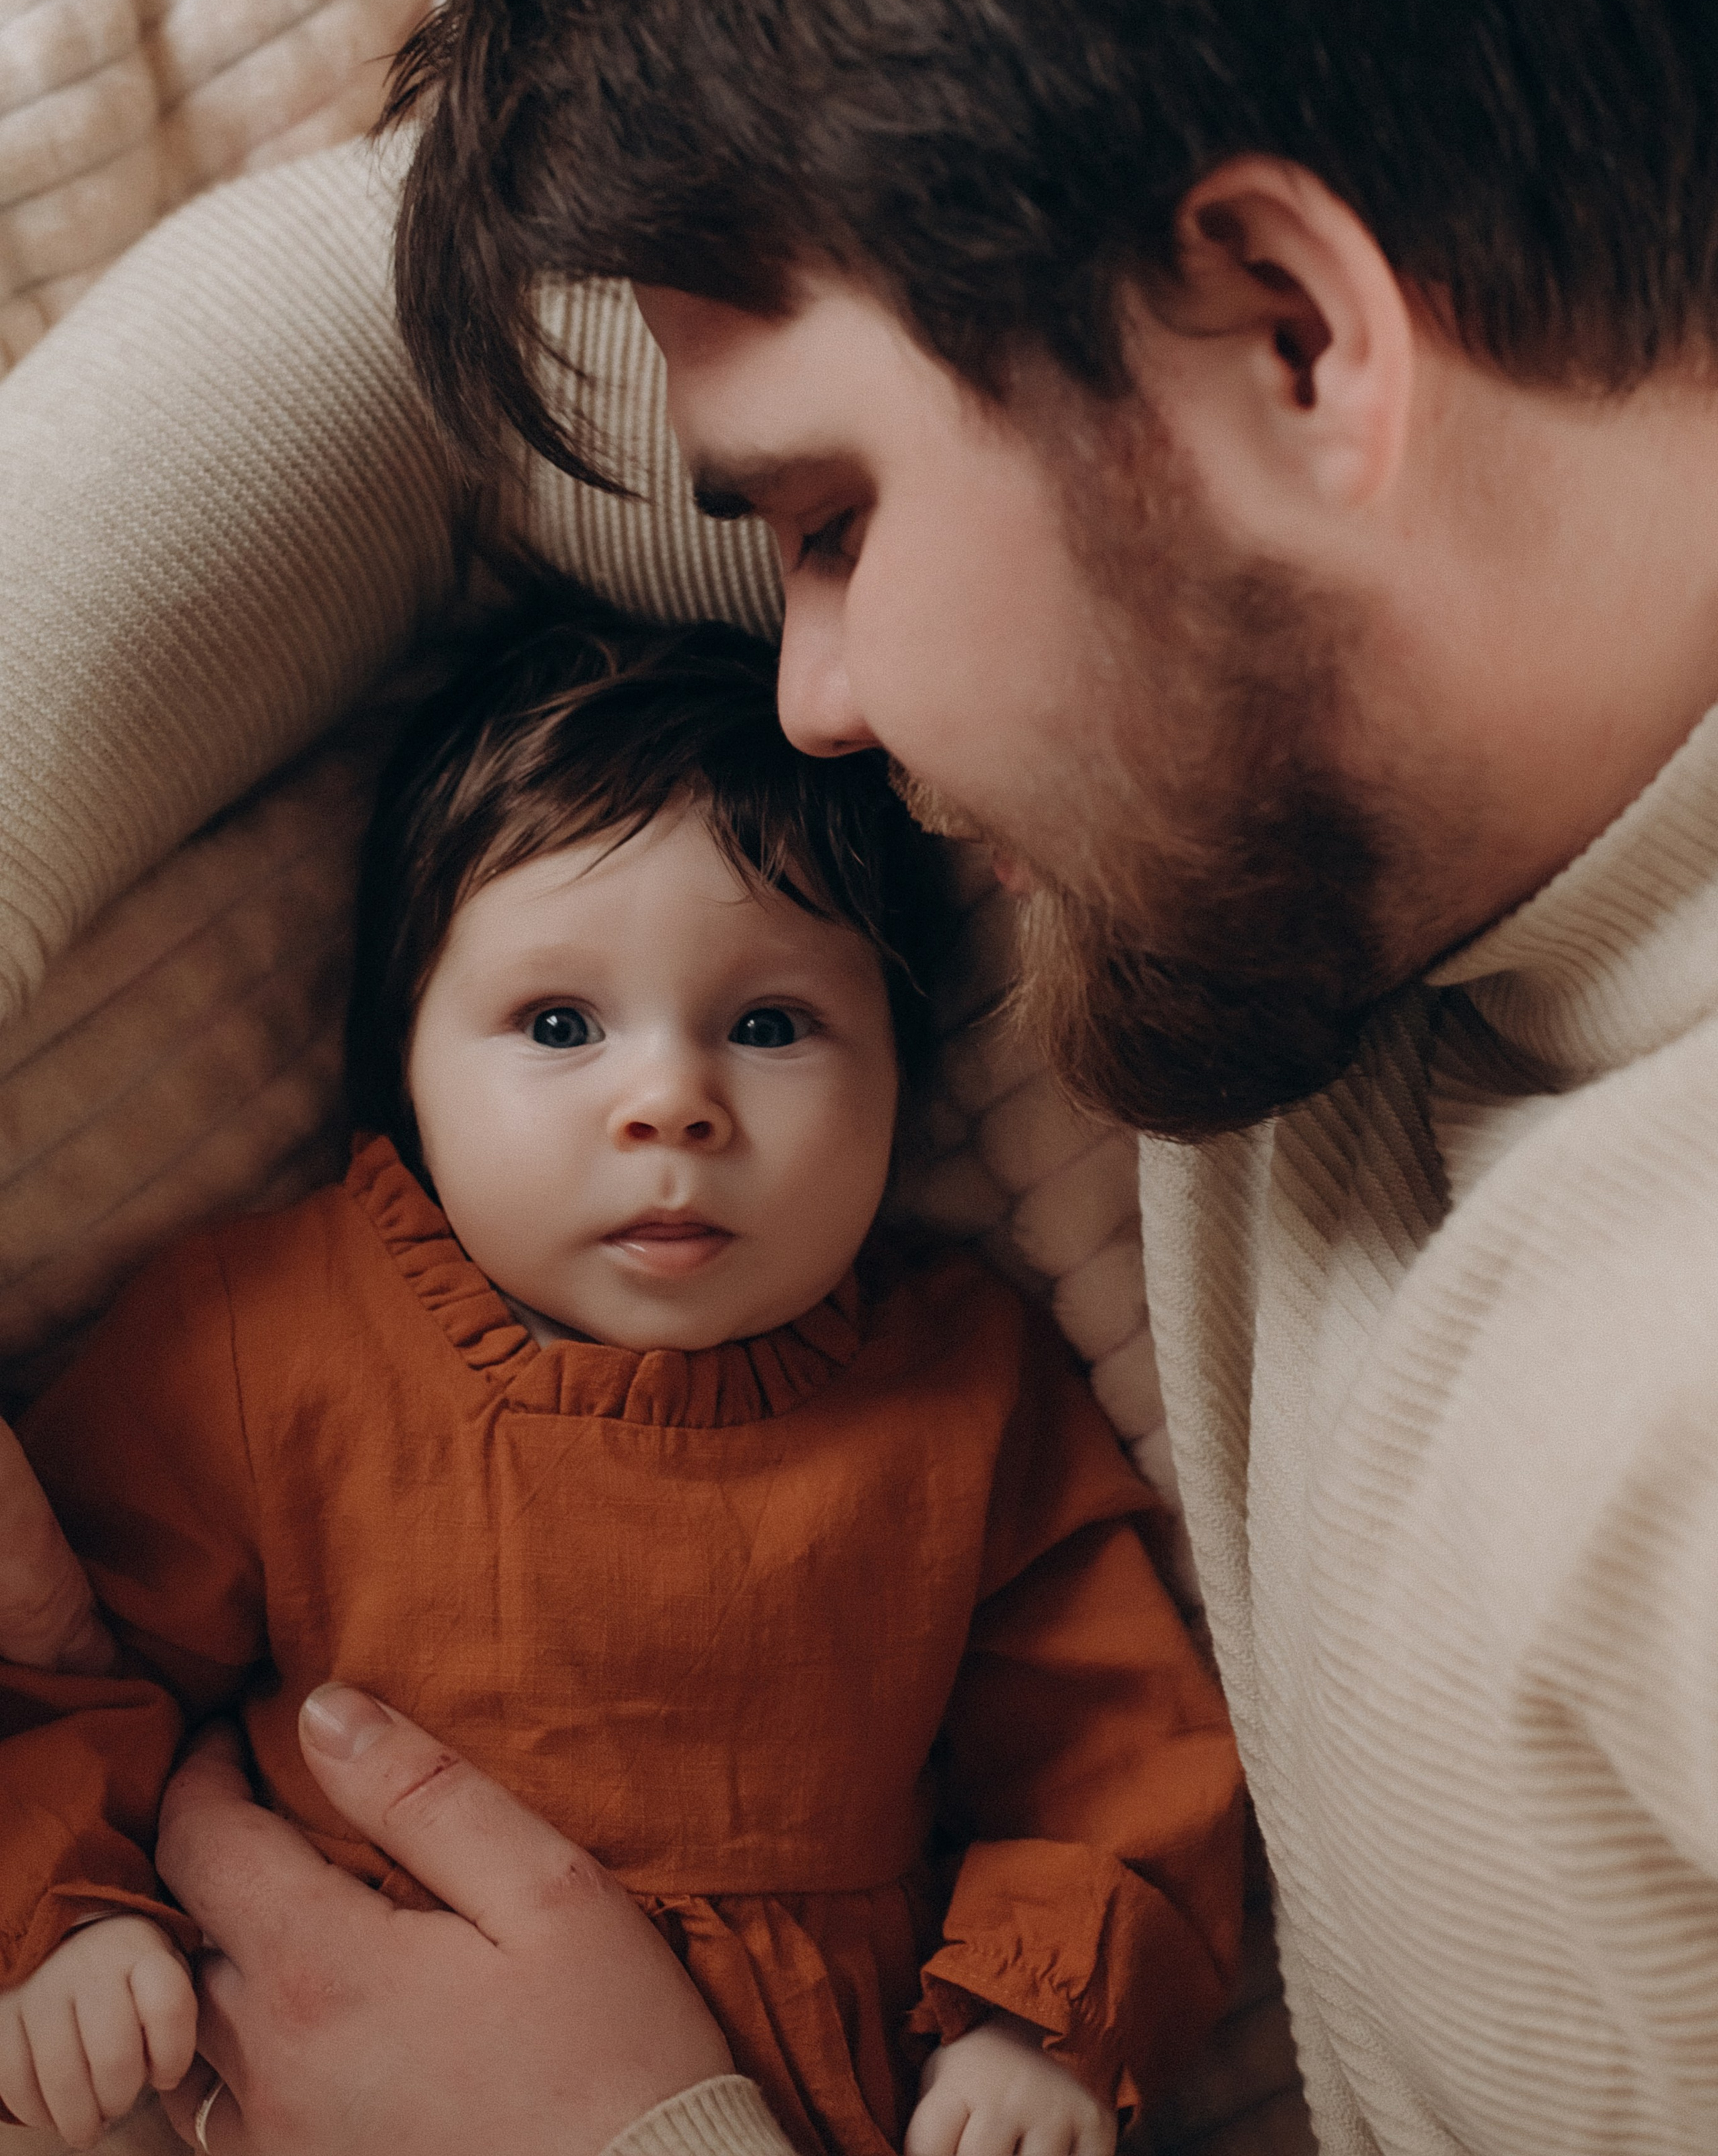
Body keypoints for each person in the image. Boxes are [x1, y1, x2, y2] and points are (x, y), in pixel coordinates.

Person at [5, 0, 1718, 2151]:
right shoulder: (1323, 787)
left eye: (828, 524)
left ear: (1289, 339)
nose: (809, 693)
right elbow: (390, 352)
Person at [0, 613, 1241, 2154]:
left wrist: (1038, 2023)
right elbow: (66, 1668)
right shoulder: (268, 1333)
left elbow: (1115, 1742)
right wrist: (62, 1920)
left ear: (902, 1084)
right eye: (560, 1024)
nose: (671, 1104)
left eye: (770, 1025)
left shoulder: (959, 1391)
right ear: (407, 1068)